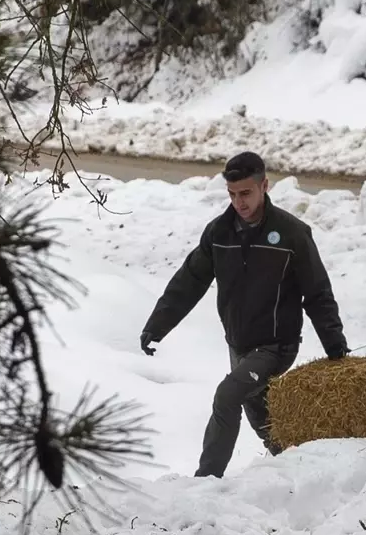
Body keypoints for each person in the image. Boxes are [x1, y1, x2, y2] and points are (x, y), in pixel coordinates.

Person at [139, 151, 349, 478]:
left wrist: (335, 345)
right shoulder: (219, 234)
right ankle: (303, 467)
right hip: (238, 345)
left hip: (276, 346)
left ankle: (205, 481)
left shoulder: (292, 234)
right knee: (260, 415)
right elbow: (189, 281)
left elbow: (317, 292)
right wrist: (157, 326)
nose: (239, 202)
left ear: (264, 185)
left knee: (227, 396)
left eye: (246, 193)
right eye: (232, 194)